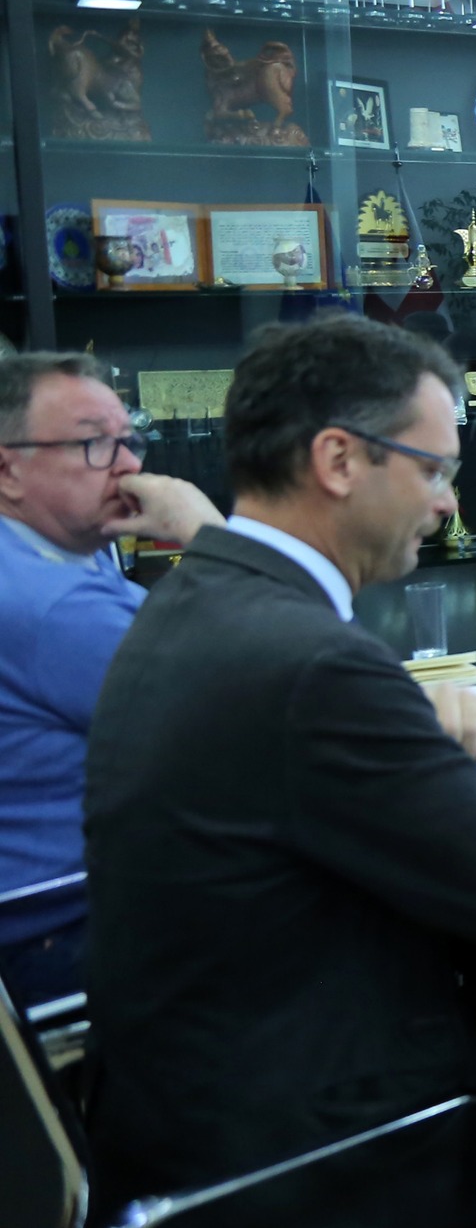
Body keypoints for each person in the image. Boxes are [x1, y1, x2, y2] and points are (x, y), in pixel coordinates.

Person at [84, 316, 476, 1212]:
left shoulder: (195, 595)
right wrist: (471, 773)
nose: (448, 504)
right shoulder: (312, 665)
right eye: (433, 470)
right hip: (318, 1150)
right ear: (340, 461)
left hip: (177, 1112)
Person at [0, 351, 222, 1007]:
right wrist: (208, 534)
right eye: (93, 444)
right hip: (64, 933)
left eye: (129, 439)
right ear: (8, 469)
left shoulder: (60, 548)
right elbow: (257, 701)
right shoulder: (55, 606)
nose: (128, 465)